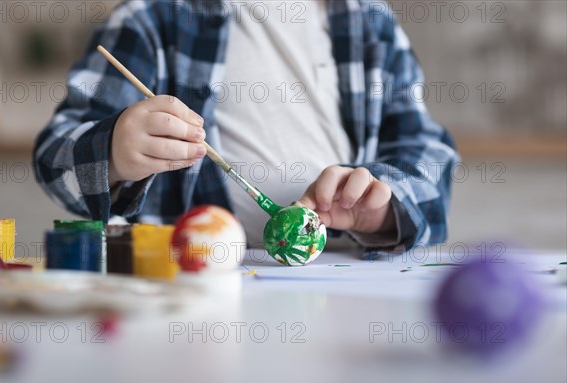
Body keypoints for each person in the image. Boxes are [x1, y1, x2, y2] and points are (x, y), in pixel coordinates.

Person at [34, 0, 458, 256]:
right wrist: (112, 152)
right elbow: (55, 158)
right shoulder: (154, 16)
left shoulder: (370, 22)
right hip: (189, 286)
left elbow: (427, 157)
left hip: (335, 274)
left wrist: (383, 206)